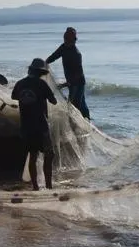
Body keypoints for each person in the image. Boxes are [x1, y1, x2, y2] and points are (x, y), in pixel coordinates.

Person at [11, 58, 58, 191]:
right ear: (41, 72)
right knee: (49, 154)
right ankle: (49, 186)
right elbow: (53, 101)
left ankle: (35, 187)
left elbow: (14, 96)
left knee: (32, 155)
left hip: (26, 126)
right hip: (41, 126)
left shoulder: (20, 83)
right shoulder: (42, 84)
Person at [46, 27, 89, 119]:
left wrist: (65, 84)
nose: (66, 41)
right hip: (71, 81)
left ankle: (85, 121)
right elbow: (54, 56)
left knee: (75, 105)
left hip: (78, 83)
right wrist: (46, 62)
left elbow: (78, 74)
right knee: (81, 104)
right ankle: (86, 119)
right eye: (65, 39)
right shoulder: (63, 47)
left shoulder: (76, 54)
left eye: (68, 39)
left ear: (73, 40)